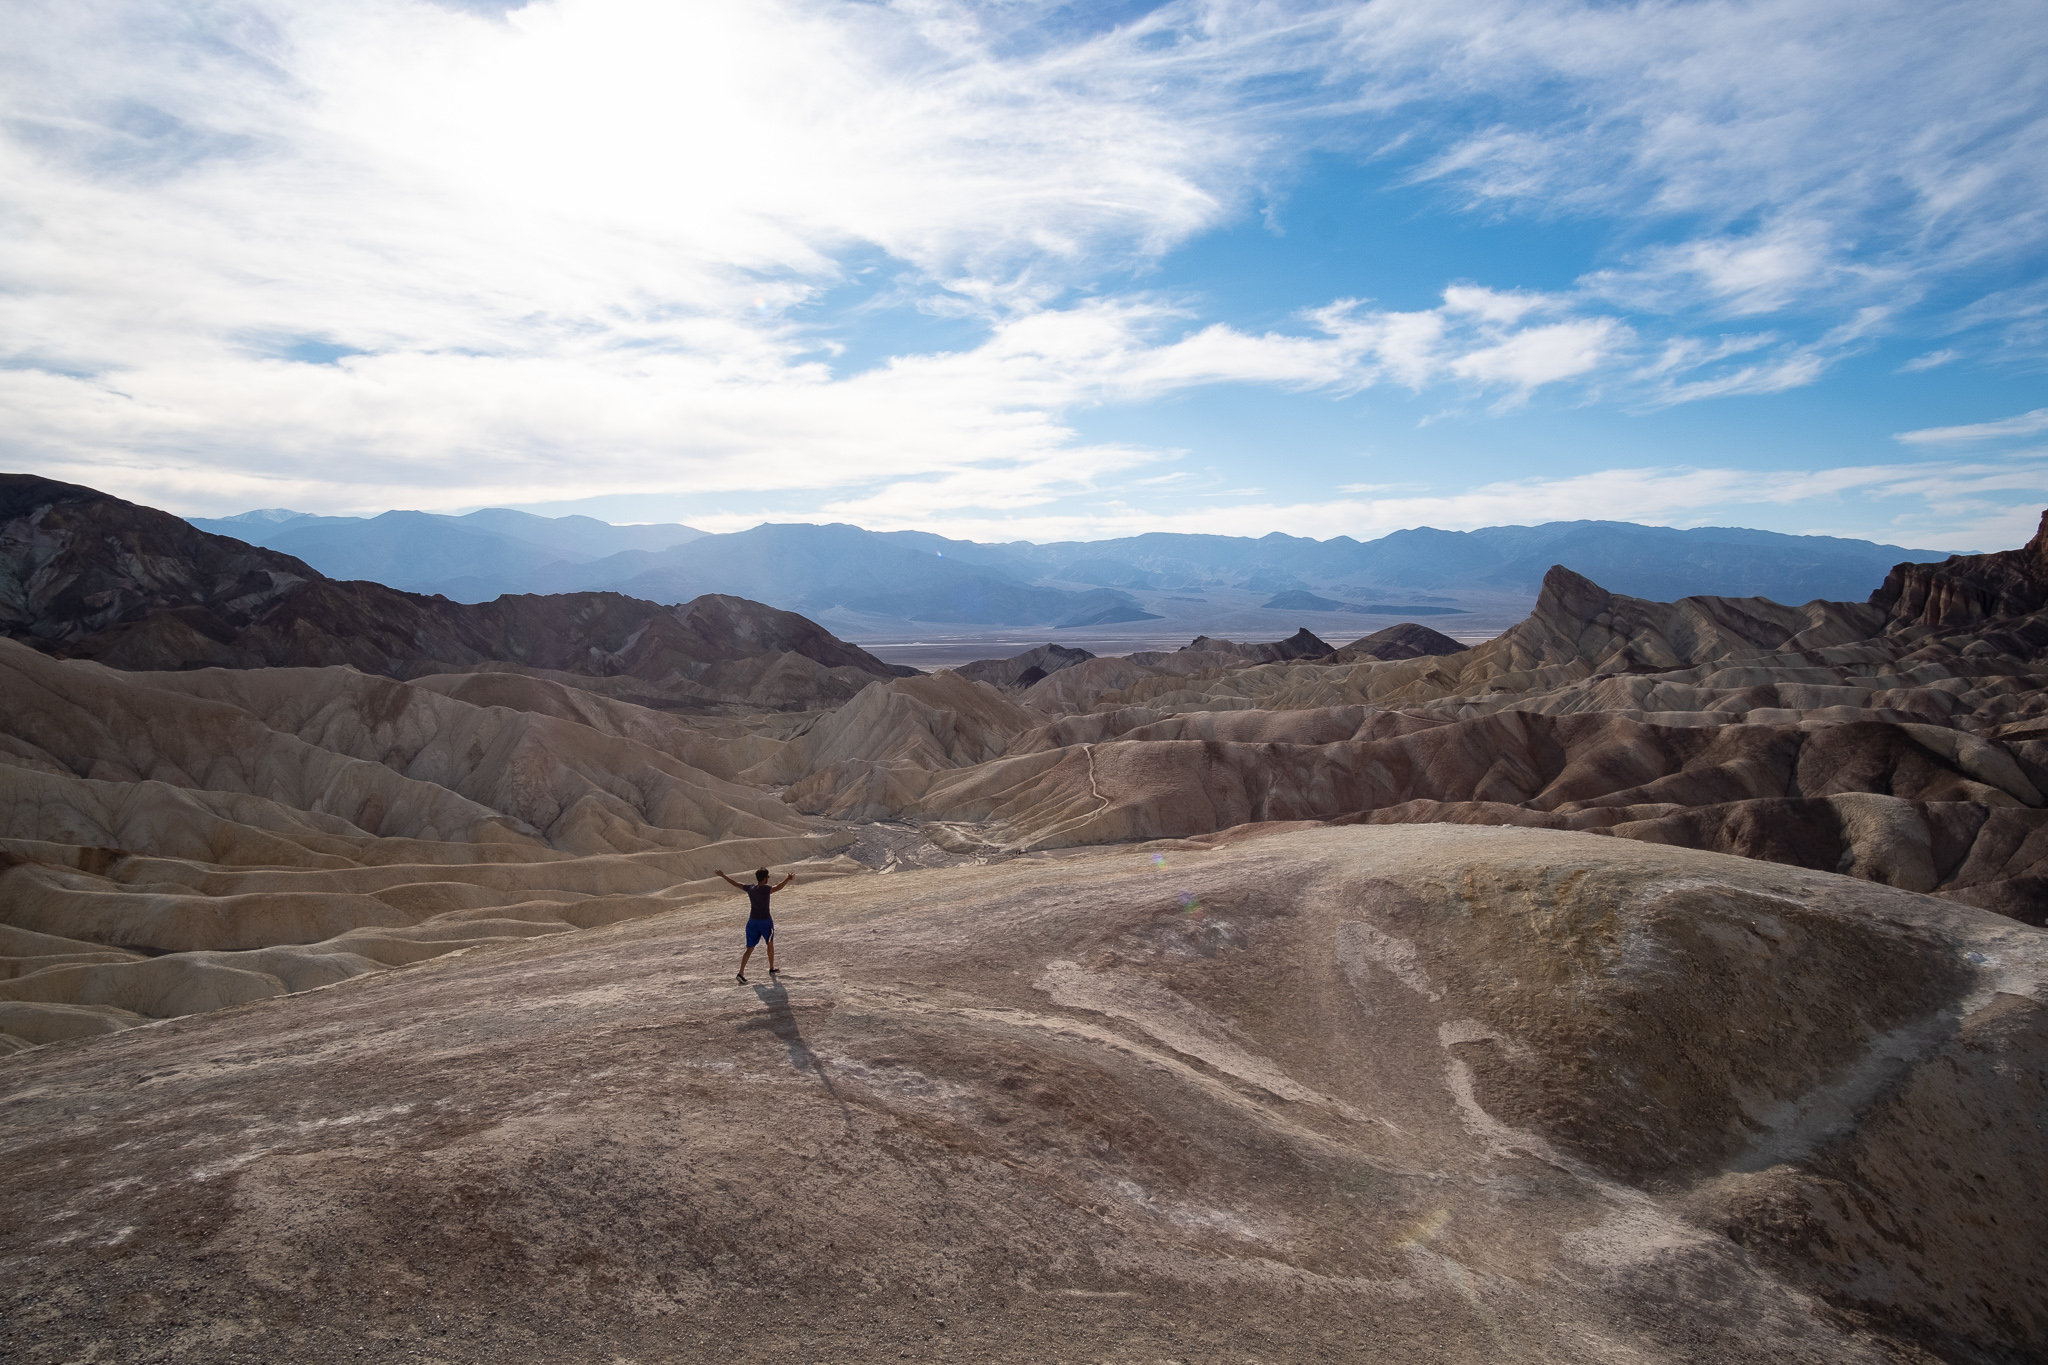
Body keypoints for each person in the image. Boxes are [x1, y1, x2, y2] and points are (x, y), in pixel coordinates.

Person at [718, 866, 793, 983]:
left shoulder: (750, 888)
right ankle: (771, 968)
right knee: (770, 944)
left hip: (752, 922)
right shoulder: (766, 889)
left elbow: (735, 884)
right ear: (764, 879)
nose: (768, 878)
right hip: (765, 921)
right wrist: (788, 879)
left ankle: (741, 972)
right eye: (767, 877)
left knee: (749, 948)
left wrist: (723, 875)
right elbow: (778, 887)